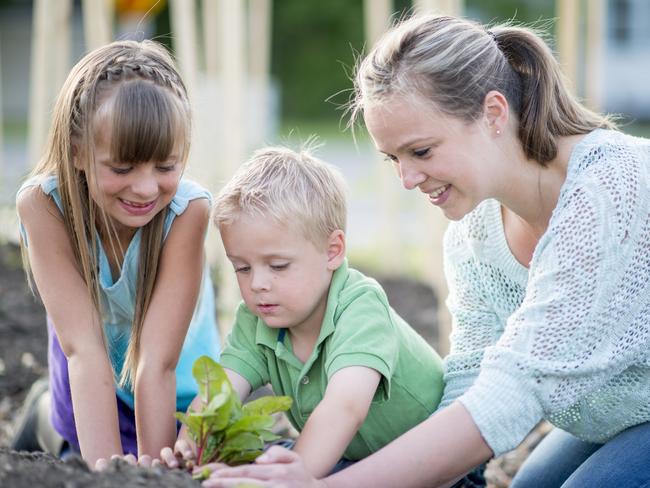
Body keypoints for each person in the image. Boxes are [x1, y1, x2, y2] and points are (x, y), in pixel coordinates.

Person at [199, 13, 650, 488]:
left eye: (422, 151)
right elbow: (474, 378)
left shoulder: (610, 188)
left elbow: (518, 386)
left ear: (493, 113)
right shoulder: (474, 232)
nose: (407, 179)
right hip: (623, 411)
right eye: (393, 158)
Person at [161, 145, 445, 479]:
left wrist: (297, 478)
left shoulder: (360, 306)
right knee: (252, 458)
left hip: (438, 467)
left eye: (278, 266)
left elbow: (346, 406)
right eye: (242, 268)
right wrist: (191, 449)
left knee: (281, 465)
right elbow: (219, 393)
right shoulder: (257, 318)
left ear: (332, 251)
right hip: (352, 462)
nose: (258, 284)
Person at [14, 40, 221, 469]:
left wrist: (154, 471)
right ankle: (45, 411)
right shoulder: (44, 206)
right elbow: (83, 352)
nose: (146, 189)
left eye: (166, 167)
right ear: (77, 152)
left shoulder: (187, 211)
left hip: (178, 391)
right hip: (91, 385)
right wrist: (108, 475)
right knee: (87, 458)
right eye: (122, 168)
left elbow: (157, 363)